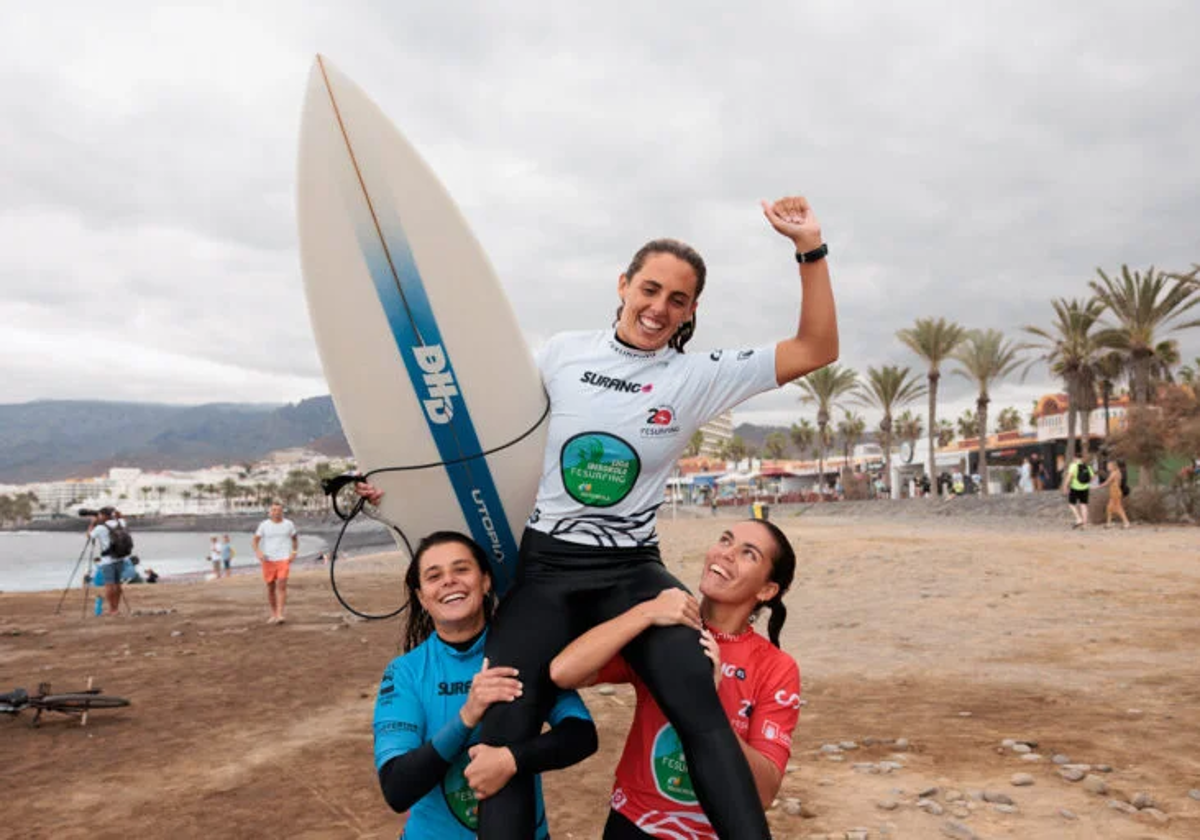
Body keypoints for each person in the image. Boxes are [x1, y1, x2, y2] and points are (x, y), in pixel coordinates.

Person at [458, 194, 836, 839]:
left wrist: (809, 248)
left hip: (631, 568)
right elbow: (492, 441)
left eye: (679, 300)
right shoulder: (561, 354)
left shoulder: (696, 377)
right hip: (547, 566)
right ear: (623, 284)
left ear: (692, 311)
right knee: (502, 724)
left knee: (695, 692)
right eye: (651, 289)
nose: (660, 309)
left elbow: (816, 346)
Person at [550, 519, 801, 839]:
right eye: (725, 540)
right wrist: (645, 613)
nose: (726, 554)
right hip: (635, 823)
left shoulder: (776, 668)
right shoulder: (664, 628)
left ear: (767, 590)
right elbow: (564, 672)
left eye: (748, 553)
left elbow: (764, 793)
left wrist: (710, 700)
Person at [373, 531, 598, 839]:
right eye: (434, 576)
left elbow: (581, 734)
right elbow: (397, 788)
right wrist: (467, 716)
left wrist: (512, 759)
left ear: (486, 581)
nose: (449, 581)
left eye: (461, 569)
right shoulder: (405, 673)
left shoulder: (528, 653)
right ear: (422, 598)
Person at [252, 502, 298, 624]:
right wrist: (258, 553)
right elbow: (255, 541)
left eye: (278, 510)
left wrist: (293, 552)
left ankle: (280, 614)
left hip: (283, 559)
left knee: (282, 585)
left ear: (282, 511)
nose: (276, 512)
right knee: (271, 588)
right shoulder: (264, 525)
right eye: (273, 510)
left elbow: (295, 539)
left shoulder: (289, 524)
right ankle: (273, 613)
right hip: (268, 560)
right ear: (270, 512)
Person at [87, 506, 134, 615]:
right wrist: (116, 514)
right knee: (117, 584)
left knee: (109, 584)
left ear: (103, 515)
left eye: (100, 515)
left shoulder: (101, 528)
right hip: (121, 558)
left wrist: (92, 524)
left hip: (108, 560)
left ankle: (112, 609)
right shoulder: (121, 523)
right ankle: (115, 608)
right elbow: (121, 516)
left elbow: (89, 536)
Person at [1063, 449, 1092, 529]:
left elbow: (1069, 477)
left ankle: (1079, 519)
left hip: (1075, 487)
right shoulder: (1087, 466)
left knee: (1071, 504)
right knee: (1084, 505)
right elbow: (1092, 477)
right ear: (1082, 458)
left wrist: (1065, 487)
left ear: (1075, 458)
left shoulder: (1073, 466)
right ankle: (1085, 525)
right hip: (1085, 488)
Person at [1101, 458, 1131, 530]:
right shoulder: (1116, 472)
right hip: (1114, 491)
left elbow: (1107, 482)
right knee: (1109, 508)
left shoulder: (1114, 473)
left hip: (1115, 492)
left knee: (1118, 507)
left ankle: (1126, 522)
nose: (1107, 467)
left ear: (1113, 466)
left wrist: (1096, 487)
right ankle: (1109, 523)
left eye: (1109, 466)